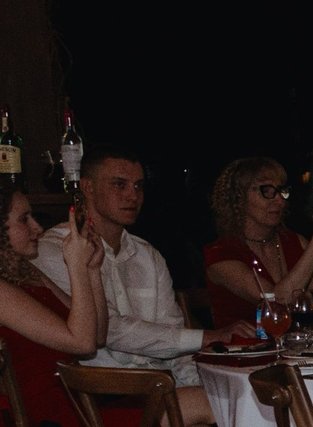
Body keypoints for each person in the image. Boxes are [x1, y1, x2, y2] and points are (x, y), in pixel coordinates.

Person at [0, 183, 222, 427]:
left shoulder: (23, 275)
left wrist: (91, 271)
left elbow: (96, 335)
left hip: (77, 404)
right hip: (55, 425)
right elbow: (83, 343)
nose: (37, 227)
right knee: (215, 400)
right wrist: (74, 266)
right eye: (24, 219)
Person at [35, 148, 253, 404]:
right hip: (97, 395)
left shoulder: (147, 255)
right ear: (88, 187)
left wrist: (201, 384)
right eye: (120, 184)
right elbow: (110, 330)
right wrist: (208, 337)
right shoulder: (55, 249)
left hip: (156, 388)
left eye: (138, 186)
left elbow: (174, 342)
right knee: (233, 402)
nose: (132, 195)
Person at [202, 157, 313, 331]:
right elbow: (276, 301)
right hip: (244, 352)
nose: (280, 201)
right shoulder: (221, 254)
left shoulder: (295, 242)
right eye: (267, 191)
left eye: (281, 191)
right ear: (239, 197)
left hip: (296, 351)